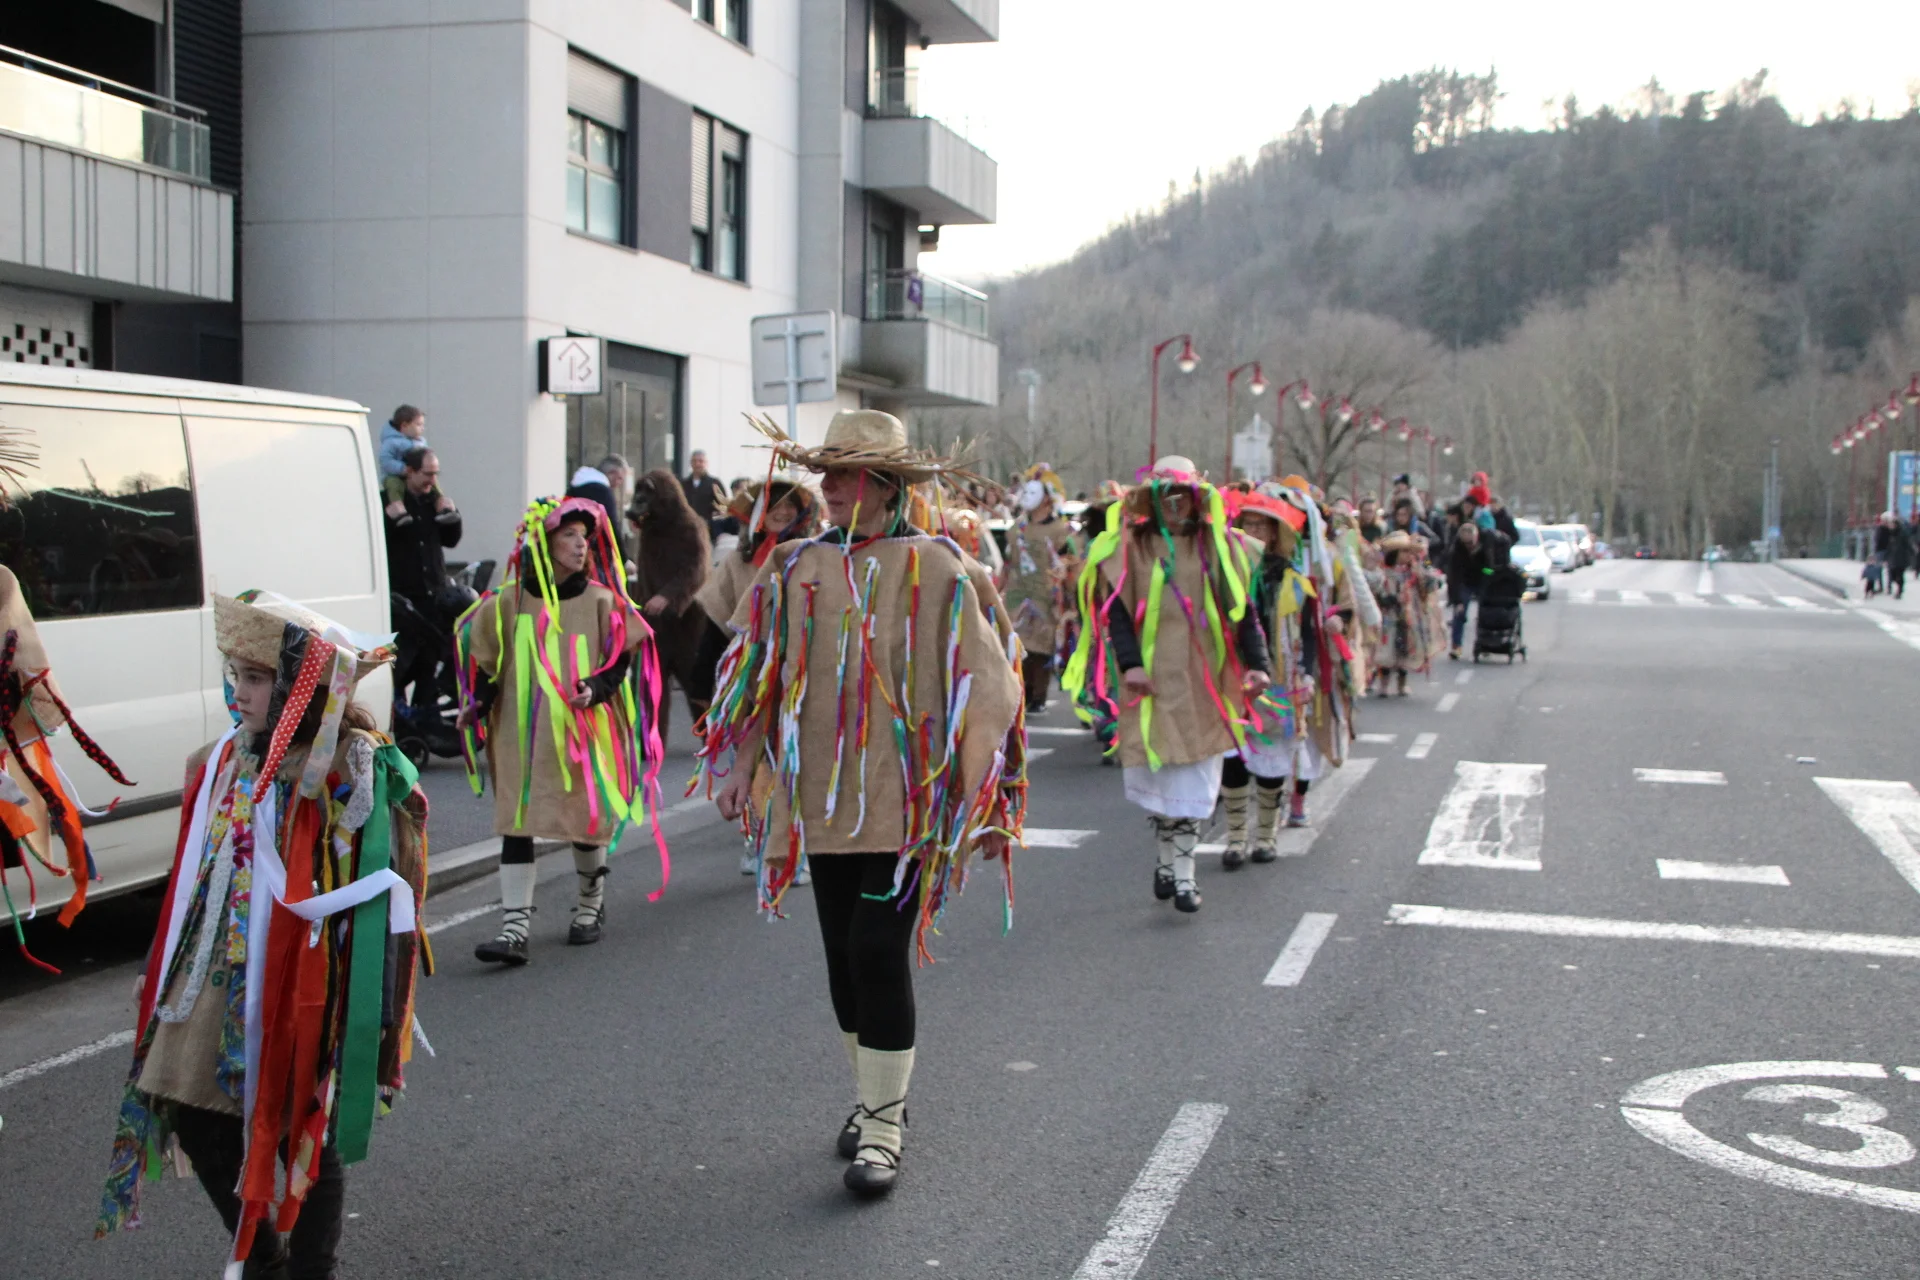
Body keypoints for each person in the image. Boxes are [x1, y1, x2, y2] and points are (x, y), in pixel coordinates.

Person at [698, 409, 1024, 1199]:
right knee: (843, 960)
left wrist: (992, 795)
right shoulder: (793, 567)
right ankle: (876, 1097)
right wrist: (743, 766)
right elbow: (760, 675)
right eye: (826, 474)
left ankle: (882, 1131)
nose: (831, 488)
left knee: (878, 950)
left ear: (883, 484)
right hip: (822, 798)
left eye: (845, 474)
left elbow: (990, 685)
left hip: (910, 803)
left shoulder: (941, 568)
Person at [97, 591, 429, 1280]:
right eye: (236, 675)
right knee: (190, 1105)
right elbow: (192, 869)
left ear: (296, 690)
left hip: (305, 974)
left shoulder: (345, 765)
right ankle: (265, 1256)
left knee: (298, 1126)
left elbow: (383, 874)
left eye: (255, 678)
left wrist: (371, 993)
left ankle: (312, 1268)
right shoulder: (220, 758)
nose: (238, 692)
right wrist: (159, 965)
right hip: (216, 969)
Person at [454, 497, 661, 964]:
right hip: (521, 733)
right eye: (568, 535)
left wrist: (596, 688)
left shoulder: (602, 600)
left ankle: (589, 906)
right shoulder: (508, 601)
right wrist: (478, 704)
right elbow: (492, 664)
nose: (580, 544)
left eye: (584, 537)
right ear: (543, 544)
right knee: (516, 820)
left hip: (582, 732)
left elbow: (619, 661)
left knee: (583, 818)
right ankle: (514, 929)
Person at [1064, 457, 1269, 914]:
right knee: (1159, 778)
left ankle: (1184, 877)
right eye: (1166, 497)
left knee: (1196, 779)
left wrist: (1258, 665)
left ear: (1198, 499)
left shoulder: (1220, 548)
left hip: (1205, 683)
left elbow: (1243, 612)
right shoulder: (1129, 549)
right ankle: (1165, 861)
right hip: (1150, 685)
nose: (1175, 505)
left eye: (1183, 496)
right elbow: (1116, 615)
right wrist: (1130, 665)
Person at [689, 478, 822, 878]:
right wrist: (704, 682)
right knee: (750, 763)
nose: (781, 512)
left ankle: (795, 848)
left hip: (804, 676)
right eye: (773, 504)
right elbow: (719, 621)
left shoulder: (816, 554)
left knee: (794, 761)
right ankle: (758, 837)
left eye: (789, 505)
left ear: (802, 513)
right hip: (750, 680)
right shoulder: (737, 562)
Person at [626, 468, 712, 737]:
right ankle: (649, 745)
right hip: (653, 621)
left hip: (686, 620)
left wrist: (668, 595)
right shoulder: (650, 528)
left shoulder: (690, 525)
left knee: (696, 687)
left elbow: (696, 569)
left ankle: (711, 739)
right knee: (649, 688)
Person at [383, 448, 462, 725]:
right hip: (402, 597)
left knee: (430, 659)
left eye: (435, 474)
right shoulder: (390, 502)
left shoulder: (434, 502)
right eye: (427, 474)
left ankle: (427, 715)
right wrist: (391, 519)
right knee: (401, 661)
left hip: (432, 596)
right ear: (410, 471)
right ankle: (396, 713)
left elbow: (451, 540)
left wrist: (452, 514)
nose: (432, 480)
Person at [1000, 463, 1083, 713]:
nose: (1028, 496)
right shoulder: (1016, 529)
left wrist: (1069, 596)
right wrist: (996, 591)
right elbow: (1007, 563)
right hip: (1017, 595)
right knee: (1016, 644)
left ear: (1048, 498)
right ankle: (1018, 694)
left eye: (1035, 492)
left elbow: (1070, 564)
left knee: (1041, 646)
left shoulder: (1060, 530)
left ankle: (1038, 696)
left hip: (1046, 595)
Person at [1371, 531, 1444, 696]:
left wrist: (1423, 566)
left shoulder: (1414, 571)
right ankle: (1383, 684)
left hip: (1409, 617)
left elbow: (1432, 583)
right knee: (1386, 652)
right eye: (1404, 551)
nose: (1407, 555)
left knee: (1405, 650)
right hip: (1388, 617)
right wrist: (1391, 599)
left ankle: (1402, 684)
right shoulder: (1382, 572)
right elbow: (1376, 594)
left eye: (1409, 552)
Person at [1443, 520, 1507, 660]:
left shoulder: (1487, 543)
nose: (1469, 546)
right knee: (1459, 614)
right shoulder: (1457, 550)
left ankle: (1486, 641)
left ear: (1476, 537)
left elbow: (1490, 567)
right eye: (1465, 543)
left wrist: (1488, 574)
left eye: (1471, 543)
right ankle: (1456, 646)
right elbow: (1454, 576)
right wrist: (1456, 600)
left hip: (1483, 577)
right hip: (1465, 580)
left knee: (1486, 612)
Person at [566, 454, 630, 559]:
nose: (619, 483)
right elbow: (611, 525)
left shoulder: (574, 488)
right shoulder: (603, 492)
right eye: (619, 478)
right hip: (594, 554)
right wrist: (624, 559)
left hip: (571, 549)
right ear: (611, 473)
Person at [375, 405, 428, 512]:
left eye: (423, 425)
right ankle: (398, 510)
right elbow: (385, 461)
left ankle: (442, 504)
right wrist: (402, 468)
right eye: (418, 424)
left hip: (414, 474)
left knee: (431, 481)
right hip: (394, 475)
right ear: (404, 425)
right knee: (395, 486)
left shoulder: (420, 442)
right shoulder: (391, 442)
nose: (422, 428)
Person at [680, 450, 729, 539]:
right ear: (691, 463)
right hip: (686, 529)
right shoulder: (683, 484)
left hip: (709, 530)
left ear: (706, 463)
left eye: (701, 461)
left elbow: (723, 506)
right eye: (694, 461)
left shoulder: (715, 483)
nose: (697, 464)